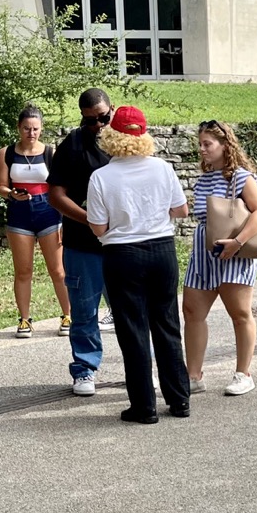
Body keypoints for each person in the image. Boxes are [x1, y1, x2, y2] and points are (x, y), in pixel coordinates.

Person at [85, 106, 190, 423]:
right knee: (167, 325)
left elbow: (99, 228)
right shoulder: (162, 168)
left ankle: (144, 406)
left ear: (111, 135)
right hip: (161, 250)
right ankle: (179, 399)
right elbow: (181, 210)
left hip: (122, 255)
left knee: (132, 330)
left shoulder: (101, 177)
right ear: (144, 135)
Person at [182, 120, 257, 397]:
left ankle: (243, 374)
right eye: (200, 144)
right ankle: (193, 375)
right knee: (192, 312)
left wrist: (238, 242)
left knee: (240, 314)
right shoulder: (204, 178)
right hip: (203, 253)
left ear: (225, 145)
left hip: (235, 252)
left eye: (207, 144)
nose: (202, 149)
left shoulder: (241, 177)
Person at [48, 88, 113, 396]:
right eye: (91, 120)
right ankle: (85, 369)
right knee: (85, 312)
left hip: (123, 244)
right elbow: (56, 196)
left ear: (111, 110)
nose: (98, 125)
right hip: (82, 244)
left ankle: (142, 366)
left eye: (103, 118)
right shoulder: (72, 145)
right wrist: (89, 219)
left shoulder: (128, 141)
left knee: (133, 310)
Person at [0, 104, 71, 339]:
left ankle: (68, 315)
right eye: (27, 128)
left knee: (58, 270)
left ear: (41, 128)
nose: (31, 133)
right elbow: (1, 185)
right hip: (20, 212)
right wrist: (11, 194)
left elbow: (61, 187)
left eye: (35, 128)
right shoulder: (6, 152)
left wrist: (65, 219)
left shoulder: (50, 152)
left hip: (48, 210)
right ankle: (25, 319)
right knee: (23, 270)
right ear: (19, 128)